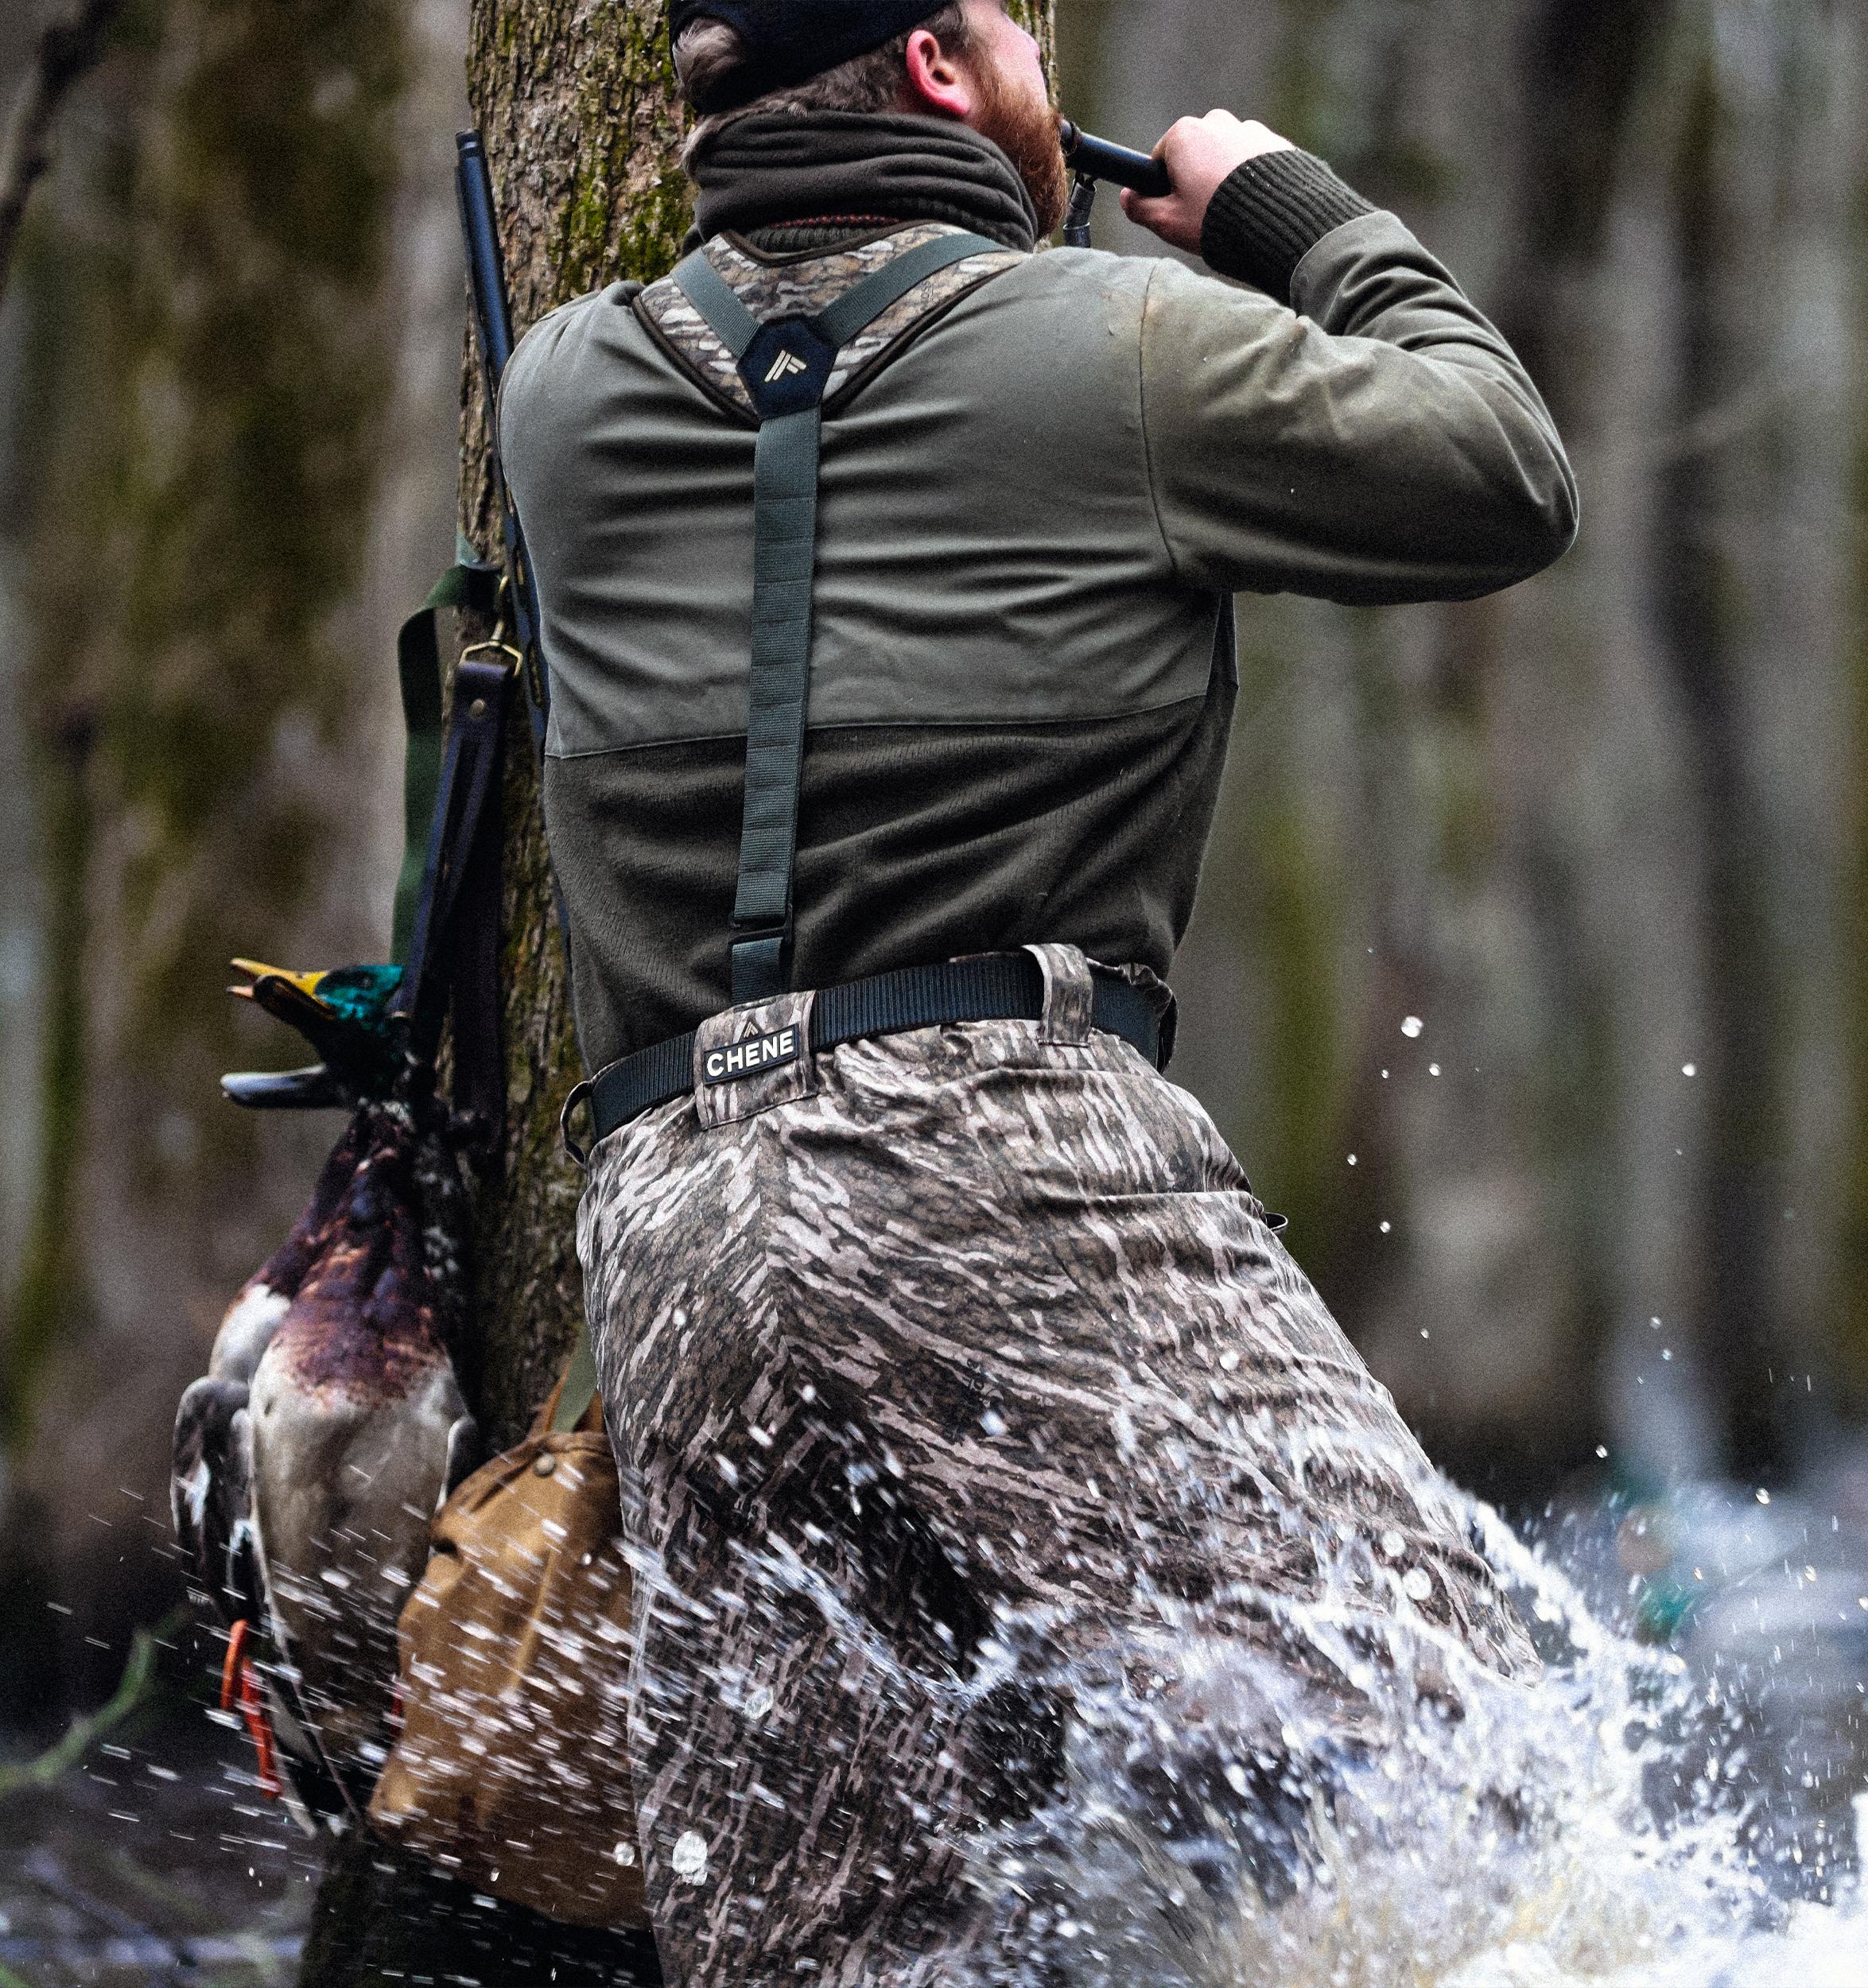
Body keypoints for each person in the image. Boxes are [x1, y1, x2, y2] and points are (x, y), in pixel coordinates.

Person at [498, 1, 1576, 1978]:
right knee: (1492, 1762)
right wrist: (1281, 206)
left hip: (668, 1224)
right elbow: (1501, 466)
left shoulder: (556, 386)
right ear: (933, 66)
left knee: (832, 1944)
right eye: (1015, 35)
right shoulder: (1115, 346)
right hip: (1002, 1150)